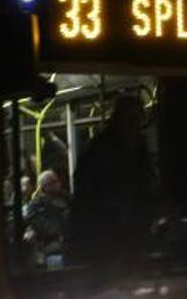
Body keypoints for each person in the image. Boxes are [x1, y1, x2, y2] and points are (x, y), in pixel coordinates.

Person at [67, 96, 156, 266]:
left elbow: (147, 188)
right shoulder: (98, 153)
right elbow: (89, 199)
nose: (135, 126)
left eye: (138, 120)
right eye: (131, 119)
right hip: (100, 244)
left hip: (132, 242)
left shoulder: (139, 153)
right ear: (118, 119)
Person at [24, 170, 72, 268]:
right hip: (49, 245)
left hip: (71, 241)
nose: (56, 184)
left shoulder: (68, 198)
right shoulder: (37, 205)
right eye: (52, 182)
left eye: (57, 181)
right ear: (44, 187)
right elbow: (36, 225)